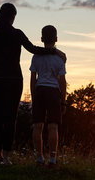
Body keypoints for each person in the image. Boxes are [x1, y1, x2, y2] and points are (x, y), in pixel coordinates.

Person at [0, 3, 66, 165]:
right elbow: (33, 49)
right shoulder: (17, 34)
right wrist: (54, 51)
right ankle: (6, 158)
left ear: (0, 15)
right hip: (14, 80)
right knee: (10, 118)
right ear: (13, 17)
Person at [30, 25, 67, 168]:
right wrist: (63, 100)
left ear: (41, 39)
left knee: (37, 125)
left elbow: (33, 78)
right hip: (53, 92)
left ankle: (39, 158)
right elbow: (62, 82)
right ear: (56, 39)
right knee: (53, 127)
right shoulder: (59, 59)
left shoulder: (36, 56)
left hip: (39, 91)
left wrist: (33, 96)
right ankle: (52, 159)